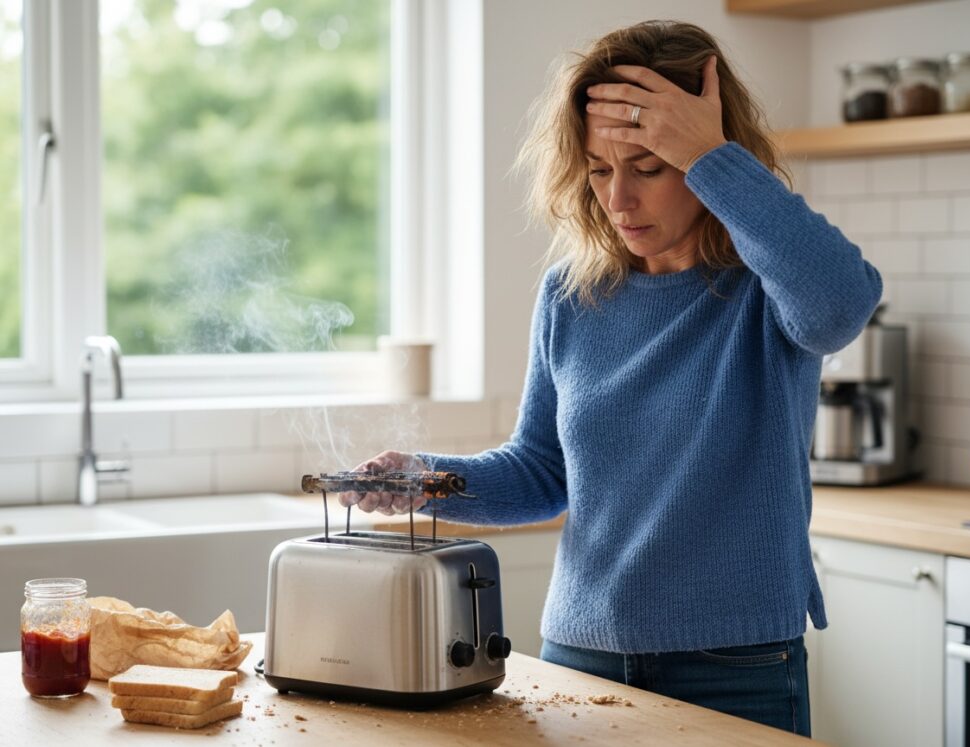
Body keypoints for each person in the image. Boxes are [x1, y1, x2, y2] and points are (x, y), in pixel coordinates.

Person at [339, 20, 881, 737]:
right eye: (598, 170)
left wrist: (711, 155)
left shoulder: (766, 288)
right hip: (581, 653)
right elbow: (542, 471)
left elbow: (842, 303)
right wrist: (427, 480)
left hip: (734, 664)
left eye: (649, 166)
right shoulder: (572, 294)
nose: (618, 199)